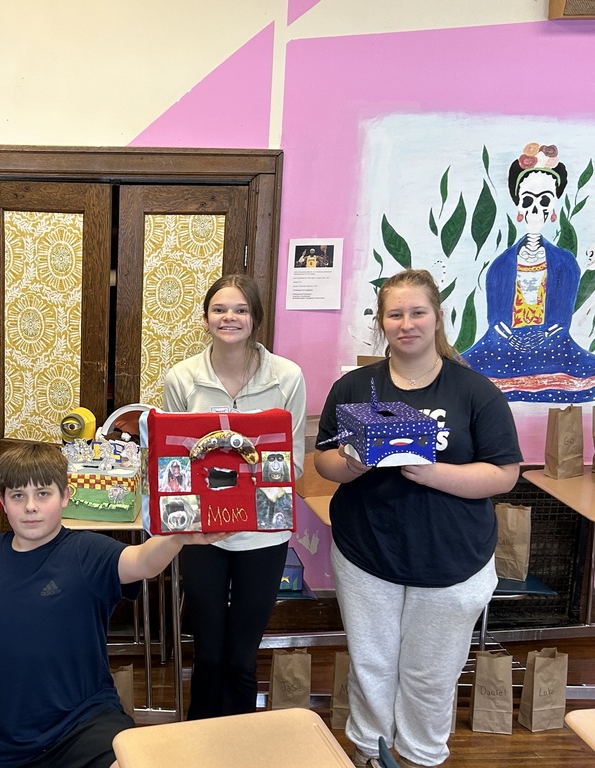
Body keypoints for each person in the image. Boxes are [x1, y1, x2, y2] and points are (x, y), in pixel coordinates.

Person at [315, 268, 521, 768]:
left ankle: (422, 757)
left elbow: (504, 475)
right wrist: (351, 463)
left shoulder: (474, 390)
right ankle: (370, 753)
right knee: (371, 666)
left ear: (437, 317)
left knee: (431, 674)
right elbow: (322, 463)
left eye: (417, 312)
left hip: (452, 562)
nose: (407, 323)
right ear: (382, 322)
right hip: (368, 555)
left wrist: (430, 473)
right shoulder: (354, 387)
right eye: (395, 314)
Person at [0, 442, 229, 768]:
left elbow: (143, 561)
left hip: (85, 725)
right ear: (3, 501)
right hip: (10, 741)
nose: (30, 506)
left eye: (43, 494)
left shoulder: (87, 552)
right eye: (18, 495)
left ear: (65, 495)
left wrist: (178, 537)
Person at [161, 273, 307, 720]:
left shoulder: (287, 377)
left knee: (242, 658)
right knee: (207, 655)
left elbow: (294, 462)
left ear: (255, 318)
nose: (230, 317)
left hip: (263, 535)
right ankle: (198, 743)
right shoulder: (182, 378)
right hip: (202, 534)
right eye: (220, 309)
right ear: (206, 319)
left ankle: (241, 745)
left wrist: (241, 484)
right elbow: (173, 463)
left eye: (241, 309)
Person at [462, 142, 595, 402]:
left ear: (553, 208)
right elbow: (496, 323)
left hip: (550, 345)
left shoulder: (565, 263)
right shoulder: (500, 266)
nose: (535, 208)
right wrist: (513, 339)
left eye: (544, 200)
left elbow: (561, 323)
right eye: (528, 200)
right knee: (460, 371)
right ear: (519, 208)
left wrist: (540, 338)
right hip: (504, 346)